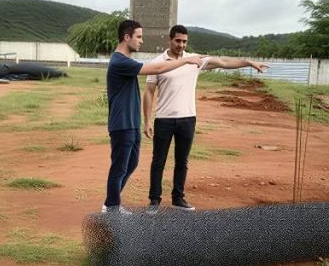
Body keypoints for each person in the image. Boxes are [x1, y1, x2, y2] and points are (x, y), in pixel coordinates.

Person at [142, 25, 269, 211]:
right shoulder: (159, 62)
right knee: (158, 161)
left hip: (188, 119)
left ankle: (178, 199)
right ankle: (154, 201)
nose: (181, 45)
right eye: (178, 41)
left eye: (184, 41)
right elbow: (149, 92)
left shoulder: (195, 60)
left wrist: (249, 62)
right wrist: (146, 121)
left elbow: (223, 62)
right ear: (169, 40)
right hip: (164, 120)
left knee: (182, 161)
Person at [102, 20, 204, 214]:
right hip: (121, 123)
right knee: (120, 166)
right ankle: (112, 206)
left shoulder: (126, 61)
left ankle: (110, 202)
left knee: (131, 164)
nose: (141, 41)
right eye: (138, 37)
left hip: (131, 123)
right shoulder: (119, 61)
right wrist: (186, 60)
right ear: (126, 37)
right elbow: (156, 69)